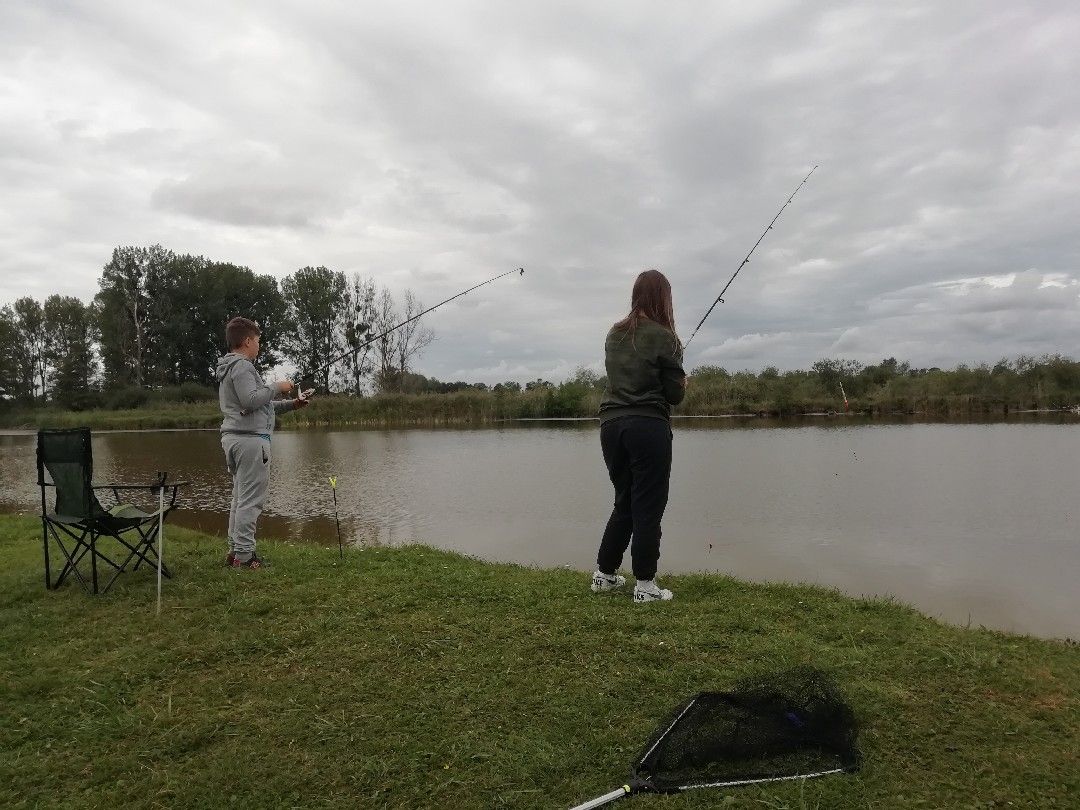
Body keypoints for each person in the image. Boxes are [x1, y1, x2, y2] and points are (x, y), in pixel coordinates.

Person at [591, 269, 686, 602]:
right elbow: (674, 395)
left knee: (625, 502)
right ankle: (645, 587)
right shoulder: (666, 337)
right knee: (649, 505)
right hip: (648, 426)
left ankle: (604, 575)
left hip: (611, 426)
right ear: (663, 298)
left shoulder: (612, 334)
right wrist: (680, 376)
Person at [215, 316, 309, 569]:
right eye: (257, 341)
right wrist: (278, 386)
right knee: (250, 501)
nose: (259, 345)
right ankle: (245, 557)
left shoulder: (228, 368)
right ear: (247, 341)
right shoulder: (243, 366)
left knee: (239, 498)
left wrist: (292, 404)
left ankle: (235, 552)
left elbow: (258, 405)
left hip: (235, 439)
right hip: (251, 443)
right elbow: (250, 400)